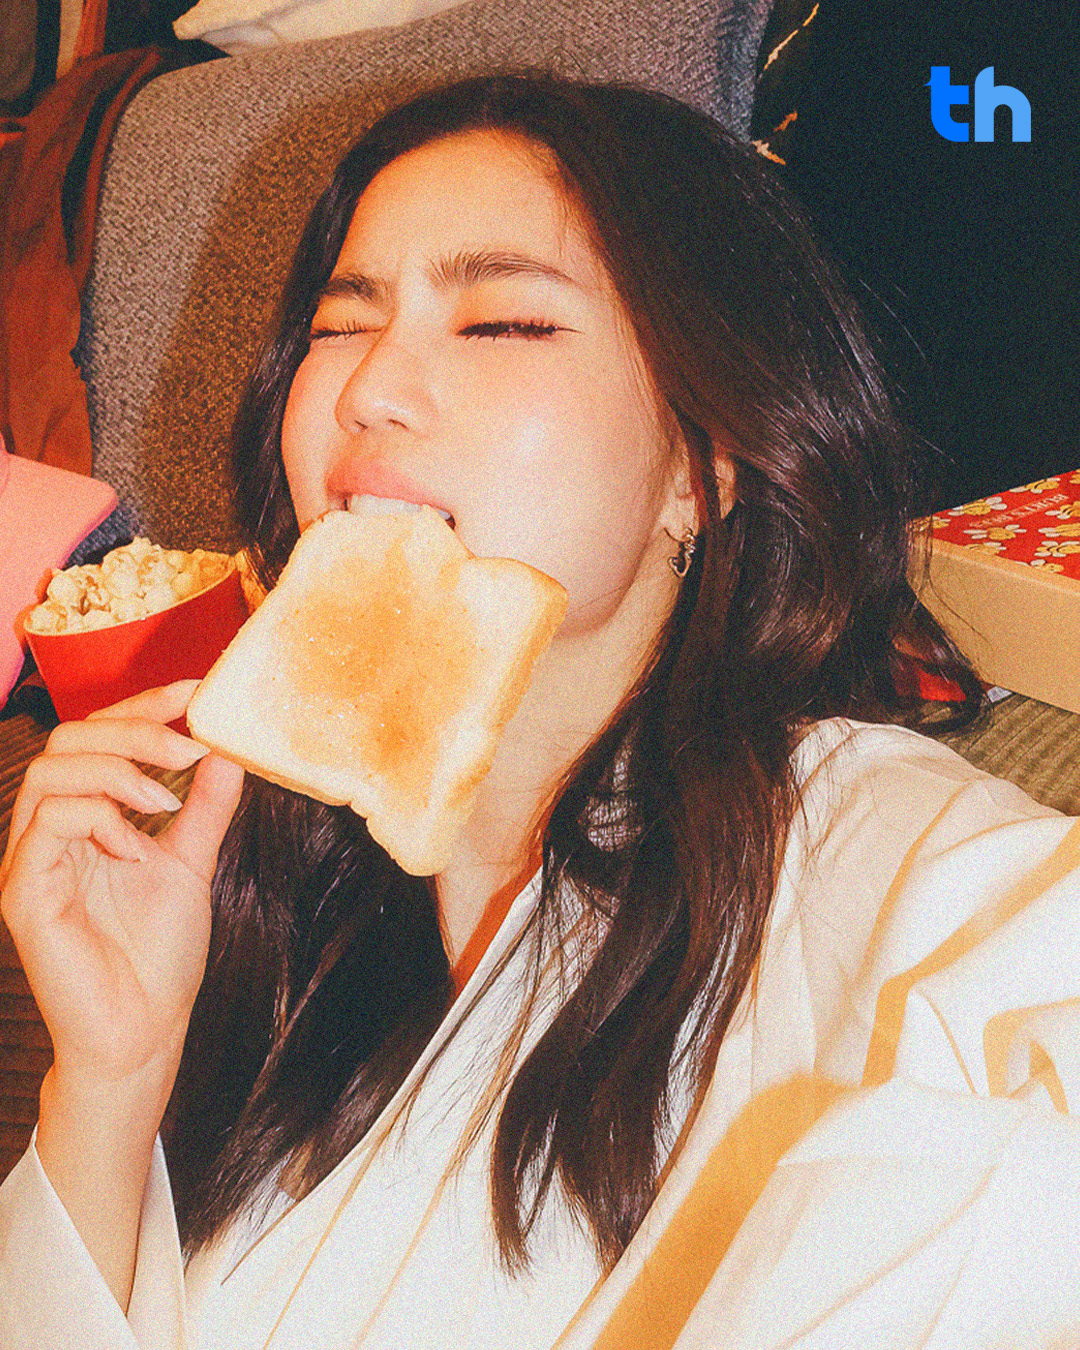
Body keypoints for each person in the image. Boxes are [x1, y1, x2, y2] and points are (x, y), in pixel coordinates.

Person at [2, 73, 1079, 1350]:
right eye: (339, 324)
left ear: (700, 468)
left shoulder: (886, 856)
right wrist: (110, 1084)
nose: (368, 389)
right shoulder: (260, 894)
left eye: (502, 322)